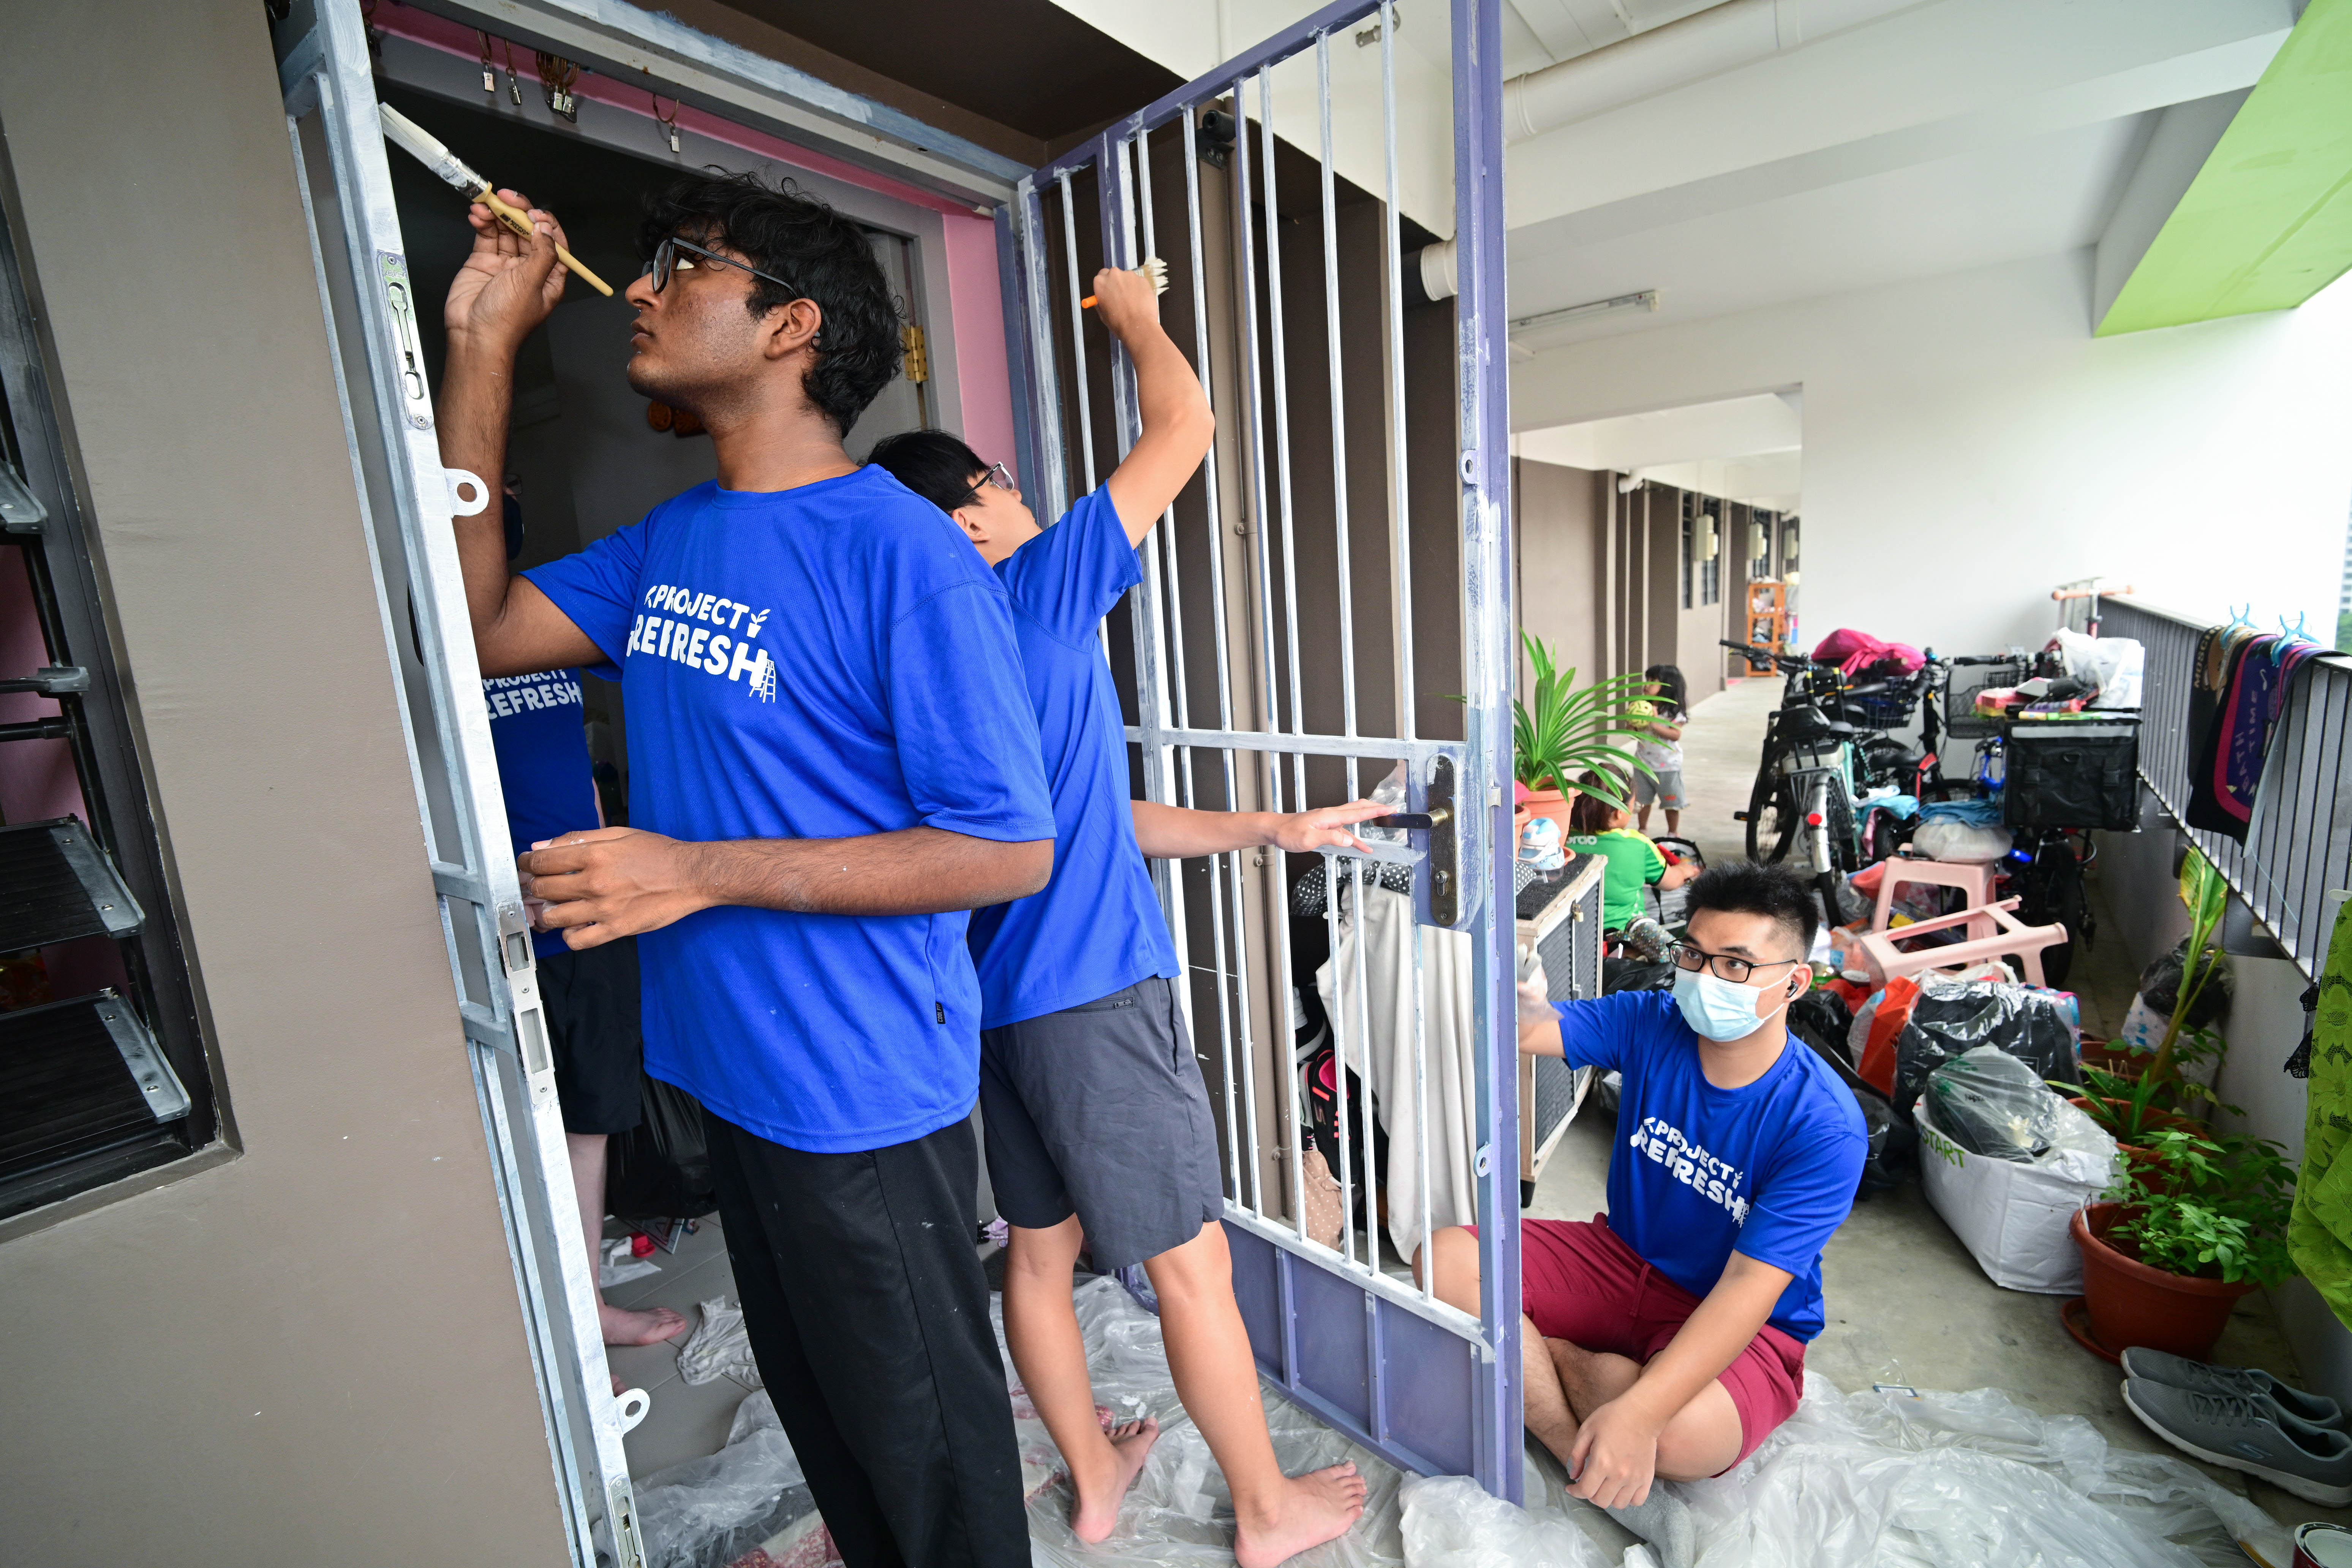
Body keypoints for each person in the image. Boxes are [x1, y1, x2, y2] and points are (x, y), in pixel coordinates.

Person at [436, 171, 1056, 1568]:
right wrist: (482, 348)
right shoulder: (677, 535)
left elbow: (1007, 845)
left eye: (684, 265)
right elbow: (476, 628)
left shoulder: (899, 552)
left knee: (934, 1473)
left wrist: (696, 869)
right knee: (836, 1436)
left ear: (792, 327)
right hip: (733, 1080)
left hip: (858, 1095)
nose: (642, 288)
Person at [866, 285, 1377, 1567]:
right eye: (1006, 482)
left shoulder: (905, 653)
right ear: (971, 506)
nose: (1030, 499)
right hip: (1093, 993)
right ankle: (1265, 1510)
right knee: (1189, 1260)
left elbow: (1086, 813)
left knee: (1039, 1252)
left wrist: (1267, 829)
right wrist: (1136, 316)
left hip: (992, 1007)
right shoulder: (1032, 589)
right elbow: (1188, 421)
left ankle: (1096, 1481)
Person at [1421, 861, 1865, 1548]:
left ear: (1794, 981)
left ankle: (1549, 1357)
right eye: (1693, 952)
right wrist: (1520, 996)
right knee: (1443, 1262)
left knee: (1683, 1440)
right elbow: (1537, 1031)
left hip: (1739, 1310)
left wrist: (1644, 1412)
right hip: (1620, 1257)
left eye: (1735, 963)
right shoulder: (1652, 1020)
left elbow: (1751, 1284)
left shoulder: (1823, 1125)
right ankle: (1577, 1439)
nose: (1704, 976)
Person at [482, 483, 683, 1351]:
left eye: (510, 496)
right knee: (507, 1127)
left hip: (584, 913)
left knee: (588, 1118)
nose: (510, 504)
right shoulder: (410, 645)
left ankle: (585, 1305)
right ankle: (540, 1334)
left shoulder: (541, 624)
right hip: (494, 924)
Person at [1566, 768, 1696, 952]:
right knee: (1678, 956)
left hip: (1571, 933)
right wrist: (1685, 869)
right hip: (1625, 935)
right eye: (1634, 807)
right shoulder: (1638, 844)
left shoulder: (1562, 838)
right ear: (1619, 812)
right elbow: (1671, 882)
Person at [1630, 664, 1687, 836]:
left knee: (1671, 803)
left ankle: (1672, 833)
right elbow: (1635, 734)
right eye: (1647, 680)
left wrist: (1654, 723)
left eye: (1653, 681)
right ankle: (1643, 830)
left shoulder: (1673, 712)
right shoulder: (1642, 707)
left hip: (1668, 767)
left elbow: (1675, 735)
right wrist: (1632, 724)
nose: (1646, 685)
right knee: (1643, 801)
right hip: (1643, 764)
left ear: (1669, 686)